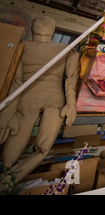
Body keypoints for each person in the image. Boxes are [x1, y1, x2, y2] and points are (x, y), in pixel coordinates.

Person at [0, 16, 79, 189]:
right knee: (43, 149)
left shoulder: (22, 47)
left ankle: (6, 175)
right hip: (54, 101)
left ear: (33, 29)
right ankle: (7, 182)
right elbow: (71, 80)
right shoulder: (66, 50)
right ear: (52, 31)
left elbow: (15, 83)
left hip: (26, 100)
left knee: (13, 144)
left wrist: (7, 111)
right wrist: (71, 104)